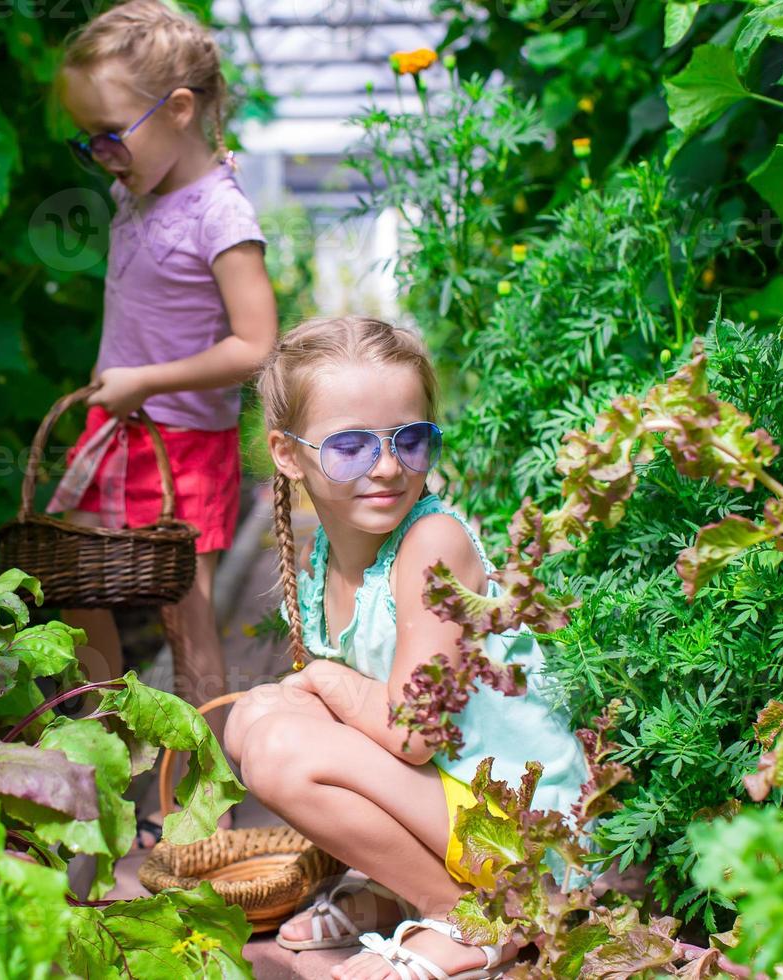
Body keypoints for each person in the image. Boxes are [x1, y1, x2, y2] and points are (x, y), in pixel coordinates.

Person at [223, 316, 591, 980]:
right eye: (351, 447)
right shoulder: (322, 557)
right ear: (286, 453)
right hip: (454, 803)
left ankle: (471, 917)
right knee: (252, 720)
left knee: (279, 746)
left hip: (519, 827)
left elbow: (414, 736)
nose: (388, 467)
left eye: (411, 439)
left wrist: (325, 686)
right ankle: (400, 890)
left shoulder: (431, 547)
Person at [53, 0, 278, 850]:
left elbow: (258, 345)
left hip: (183, 442)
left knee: (188, 620)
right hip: (116, 434)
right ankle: (108, 765)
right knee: (77, 590)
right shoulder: (132, 192)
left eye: (109, 134)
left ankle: (193, 804)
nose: (100, 157)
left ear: (178, 110)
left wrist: (145, 379)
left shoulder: (221, 215)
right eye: (87, 141)